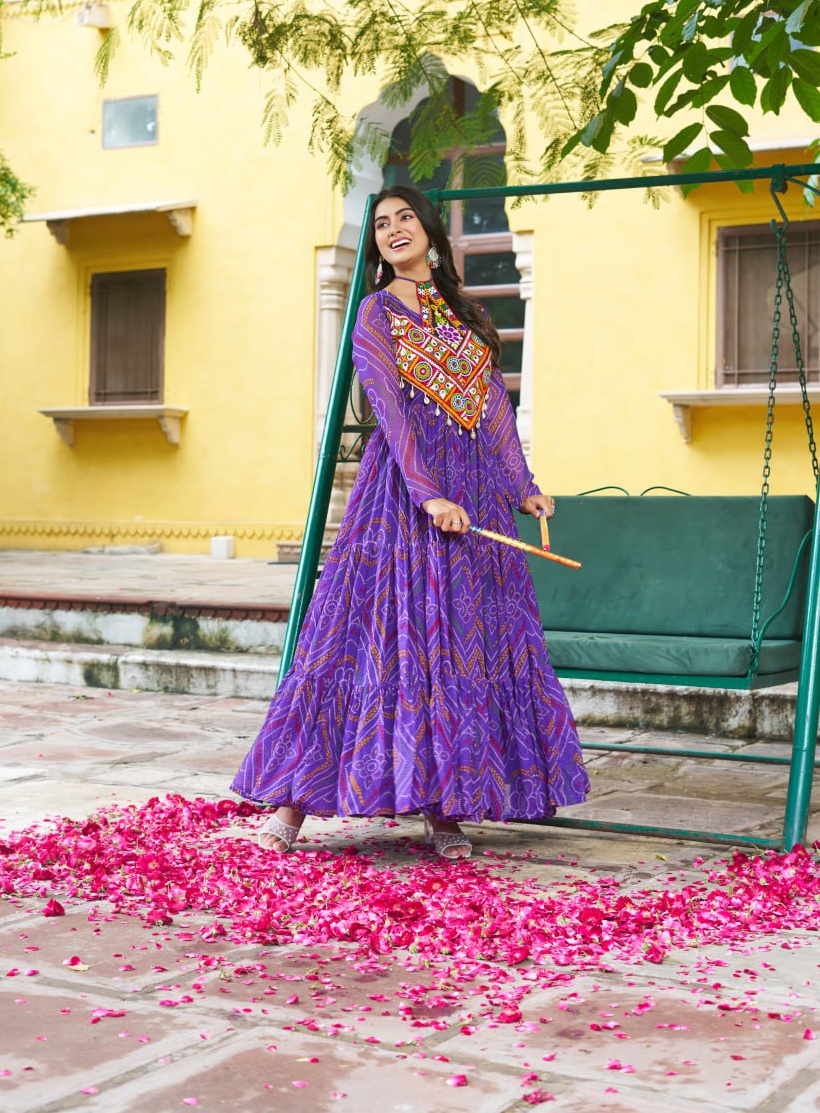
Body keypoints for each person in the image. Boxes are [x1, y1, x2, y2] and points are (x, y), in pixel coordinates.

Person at [231, 185, 589, 859]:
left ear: (429, 230)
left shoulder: (470, 314)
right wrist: (427, 494)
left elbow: (493, 415)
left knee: (459, 649)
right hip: (401, 498)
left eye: (404, 219)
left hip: (476, 499)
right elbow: (389, 410)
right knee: (363, 639)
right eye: (381, 224)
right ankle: (291, 803)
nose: (393, 229)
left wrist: (523, 488)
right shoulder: (374, 312)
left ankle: (447, 806)